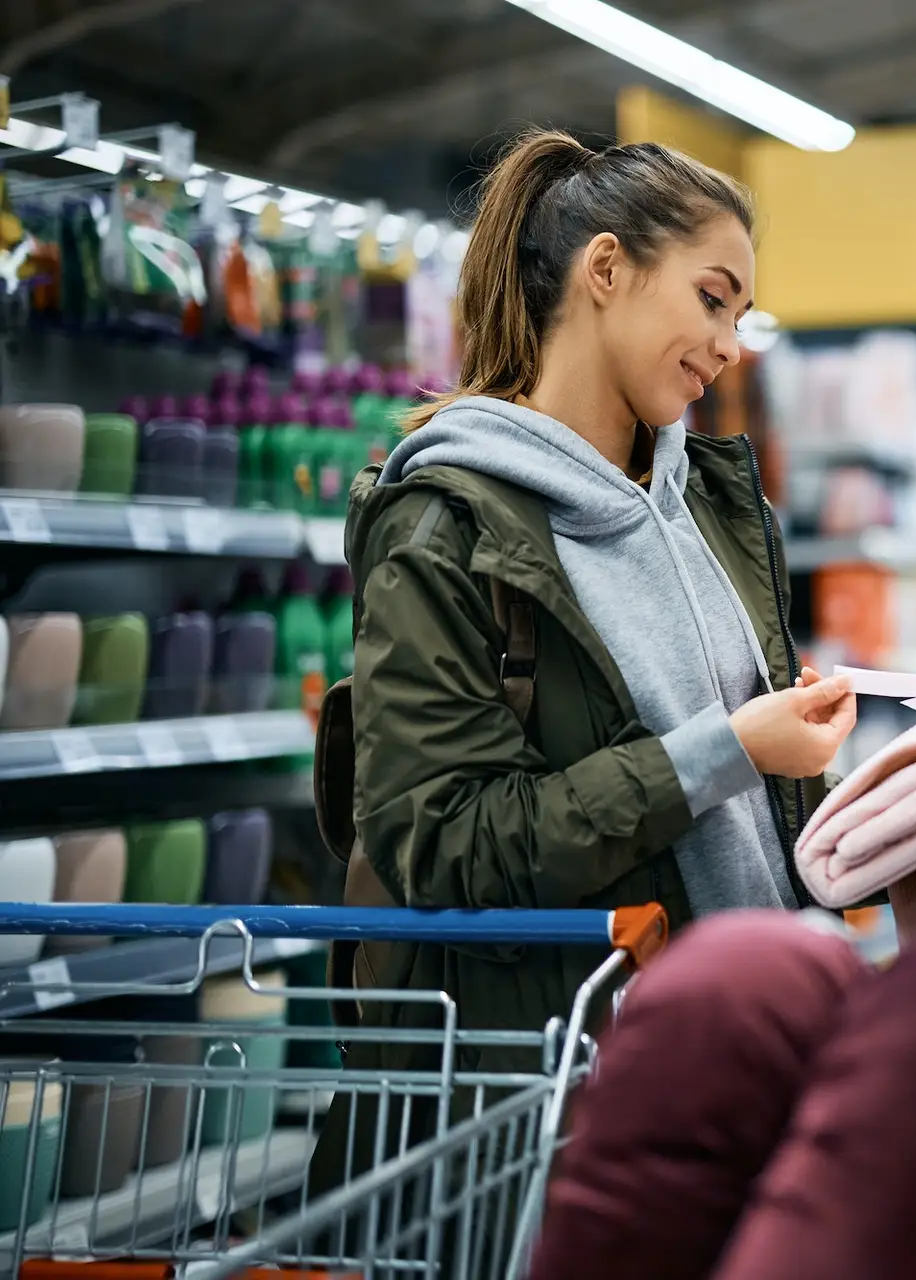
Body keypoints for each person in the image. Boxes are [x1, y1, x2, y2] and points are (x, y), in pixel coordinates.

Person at [311, 129, 857, 1190]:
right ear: (605, 271)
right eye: (712, 298)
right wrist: (727, 747)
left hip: (742, 1075)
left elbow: (736, 812)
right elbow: (446, 841)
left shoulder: (711, 510)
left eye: (740, 315)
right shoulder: (446, 524)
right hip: (553, 1117)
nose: (732, 344)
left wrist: (873, 812)